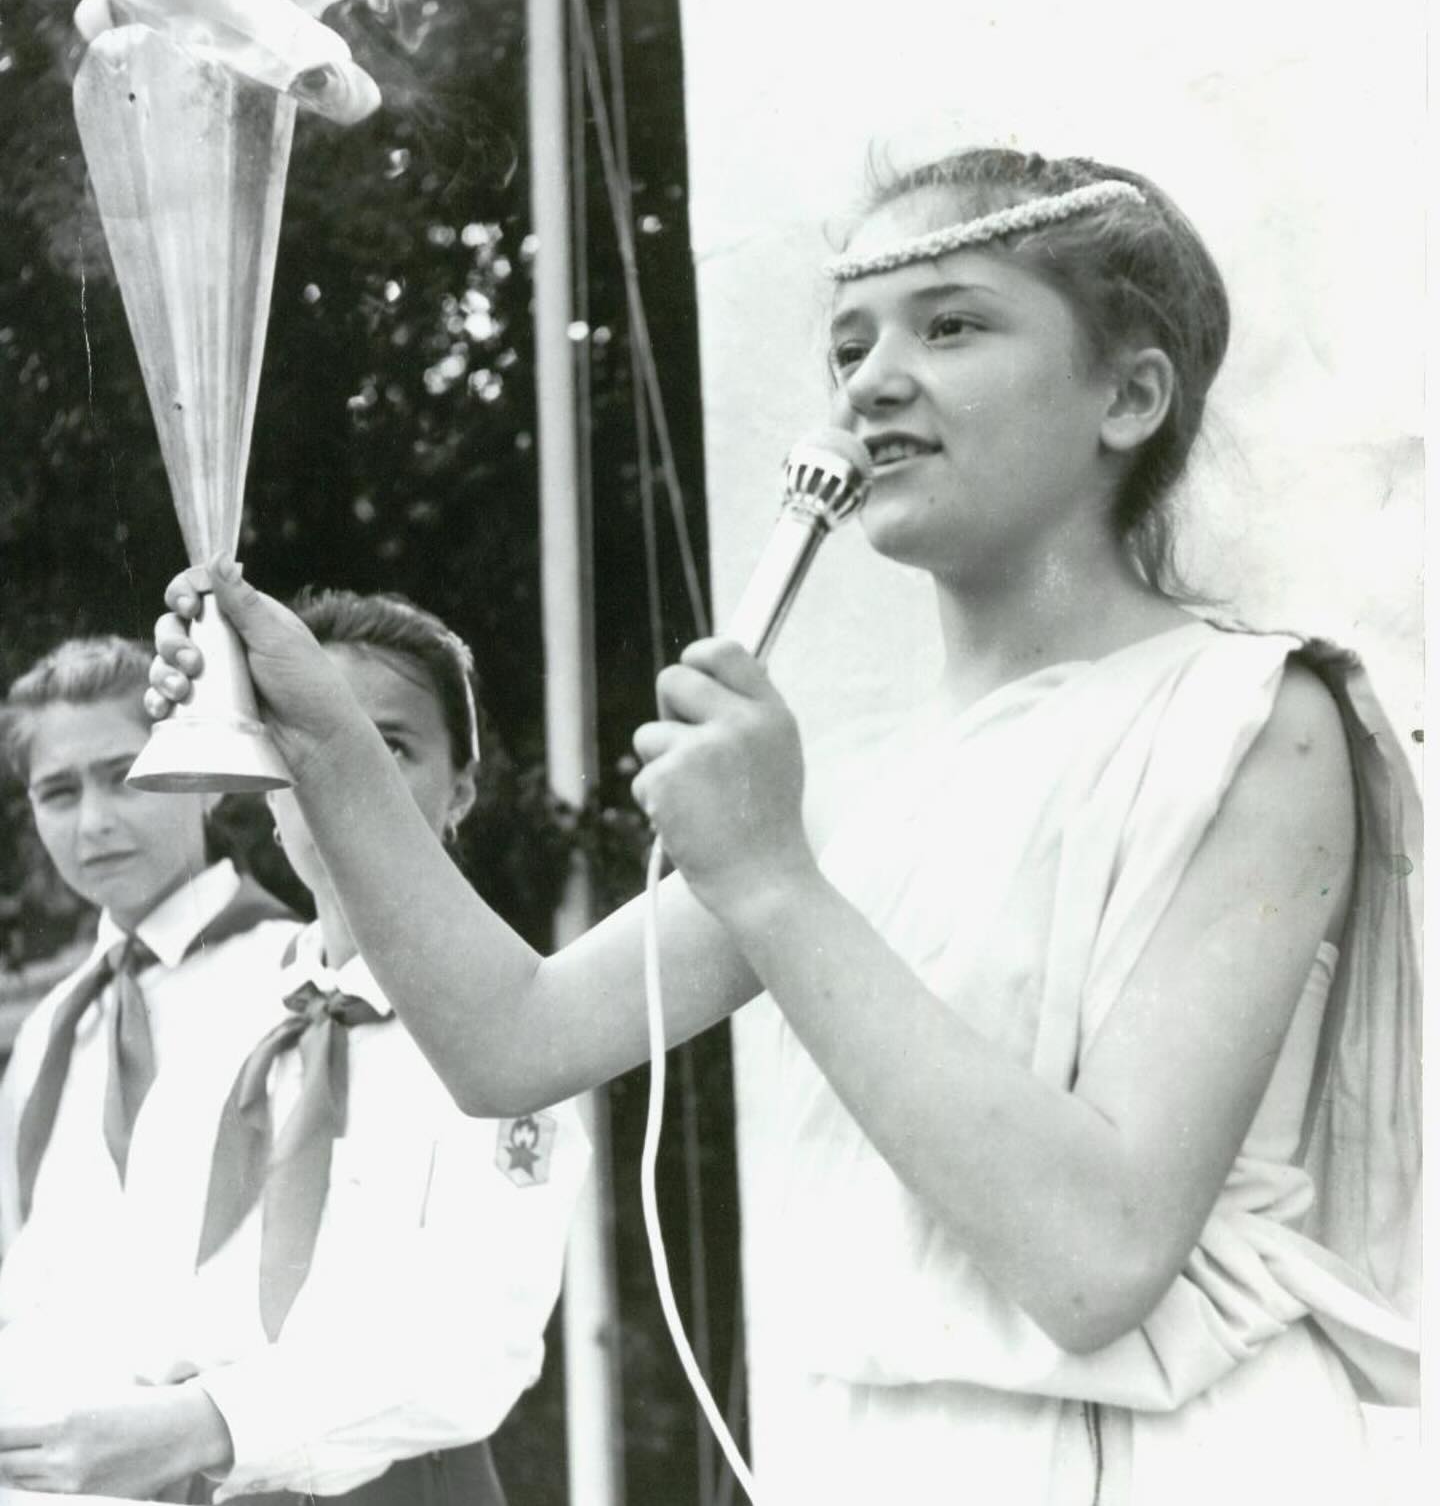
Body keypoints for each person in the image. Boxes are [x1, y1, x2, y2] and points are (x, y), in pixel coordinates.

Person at [142, 149, 1420, 1504]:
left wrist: (770, 876)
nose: (871, 382)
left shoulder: (1253, 717)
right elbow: (511, 1040)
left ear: (1129, 394)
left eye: (952, 323)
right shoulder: (866, 783)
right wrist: (326, 747)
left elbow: (1097, 1257)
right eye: (850, 344)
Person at [0, 598, 589, 1503]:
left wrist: (208, 1426)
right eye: (307, 750)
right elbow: (135, 1306)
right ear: (267, 787)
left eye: (388, 747)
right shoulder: (218, 1019)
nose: (344, 785)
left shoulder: (510, 1028)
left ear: (461, 789)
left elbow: (475, 1341)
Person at [0, 635, 299, 1490]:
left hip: (245, 1473)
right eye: (59, 792)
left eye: (125, 775)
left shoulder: (297, 982)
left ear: (204, 779)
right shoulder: (51, 1031)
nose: (94, 822)